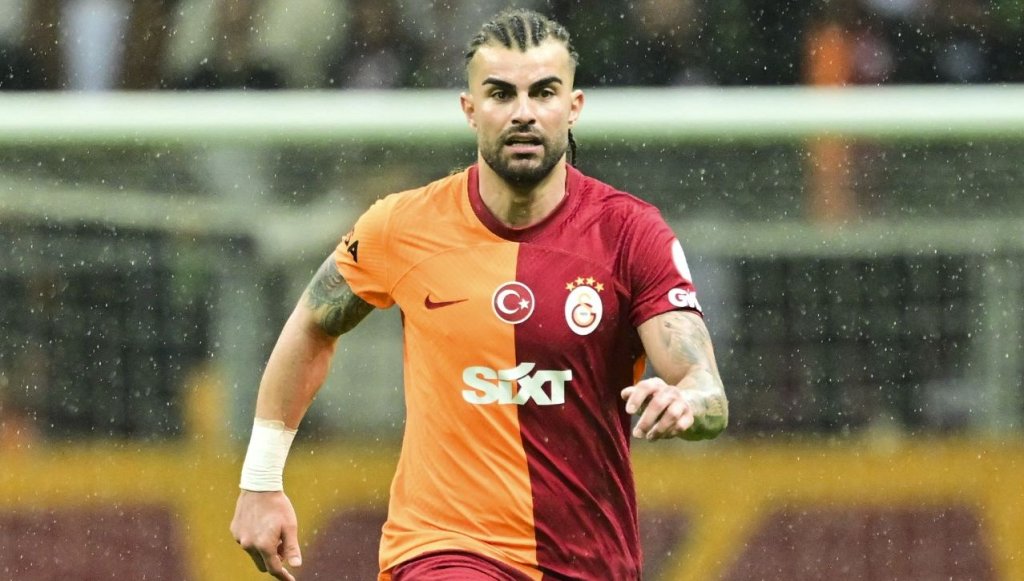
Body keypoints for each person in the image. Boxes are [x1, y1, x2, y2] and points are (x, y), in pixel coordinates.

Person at [230, 8, 728, 581]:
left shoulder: (629, 235)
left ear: (574, 107)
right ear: (470, 109)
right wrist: (261, 480)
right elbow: (313, 322)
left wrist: (688, 403)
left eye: (543, 92)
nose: (523, 112)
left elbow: (705, 387)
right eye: (500, 94)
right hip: (443, 550)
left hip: (591, 561)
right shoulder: (402, 226)